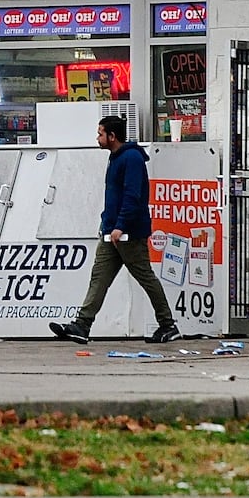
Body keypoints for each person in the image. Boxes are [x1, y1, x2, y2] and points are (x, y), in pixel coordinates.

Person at [49, 115, 180, 345]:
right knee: (99, 278)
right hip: (111, 232)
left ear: (112, 136)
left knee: (145, 277)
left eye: (100, 133)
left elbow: (132, 195)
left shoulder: (131, 158)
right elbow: (115, 195)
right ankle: (82, 325)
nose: (97, 138)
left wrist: (120, 225)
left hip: (128, 233)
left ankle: (168, 325)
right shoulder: (116, 157)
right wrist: (107, 224)